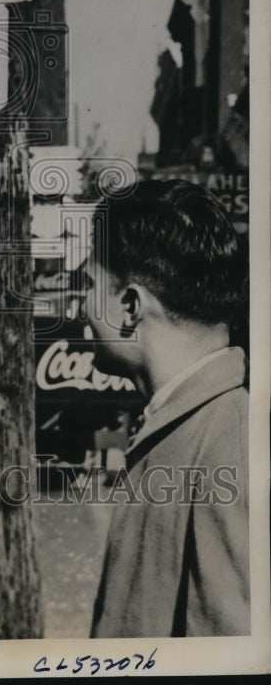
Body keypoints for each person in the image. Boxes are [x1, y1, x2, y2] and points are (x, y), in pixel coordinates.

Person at [86, 179, 249, 638]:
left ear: (129, 305)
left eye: (87, 283)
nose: (79, 307)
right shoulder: (191, 421)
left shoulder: (228, 444)